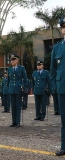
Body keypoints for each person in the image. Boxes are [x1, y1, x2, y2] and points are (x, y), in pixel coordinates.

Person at [50, 17, 65, 156]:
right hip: (62, 89)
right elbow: (53, 71)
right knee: (64, 120)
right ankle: (64, 147)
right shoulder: (57, 47)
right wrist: (54, 86)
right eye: (64, 26)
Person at [7, 54, 28, 128]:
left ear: (17, 61)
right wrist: (8, 88)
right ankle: (14, 122)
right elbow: (8, 80)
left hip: (18, 89)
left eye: (13, 60)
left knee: (18, 106)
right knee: (13, 106)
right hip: (12, 89)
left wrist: (25, 88)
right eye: (11, 60)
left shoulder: (21, 68)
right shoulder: (9, 69)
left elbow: (25, 79)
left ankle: (18, 122)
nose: (12, 61)